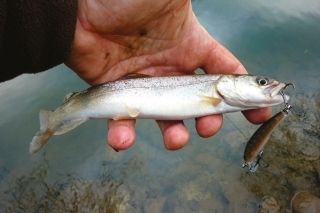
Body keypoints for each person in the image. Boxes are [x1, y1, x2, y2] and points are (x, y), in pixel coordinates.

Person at [0, 0, 271, 151]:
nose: (267, 86)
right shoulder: (215, 90)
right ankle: (53, 120)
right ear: (229, 83)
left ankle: (55, 118)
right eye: (261, 82)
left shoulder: (219, 95)